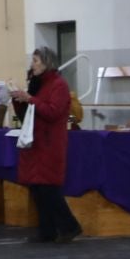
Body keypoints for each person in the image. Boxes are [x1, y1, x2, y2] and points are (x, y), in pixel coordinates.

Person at [12, 47, 78, 244]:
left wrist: (30, 99)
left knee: (48, 188)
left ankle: (69, 226)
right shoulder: (37, 84)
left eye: (36, 60)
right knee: (38, 188)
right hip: (36, 142)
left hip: (50, 143)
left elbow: (53, 112)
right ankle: (47, 231)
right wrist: (19, 100)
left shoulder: (59, 85)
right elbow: (27, 114)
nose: (32, 64)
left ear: (46, 62)